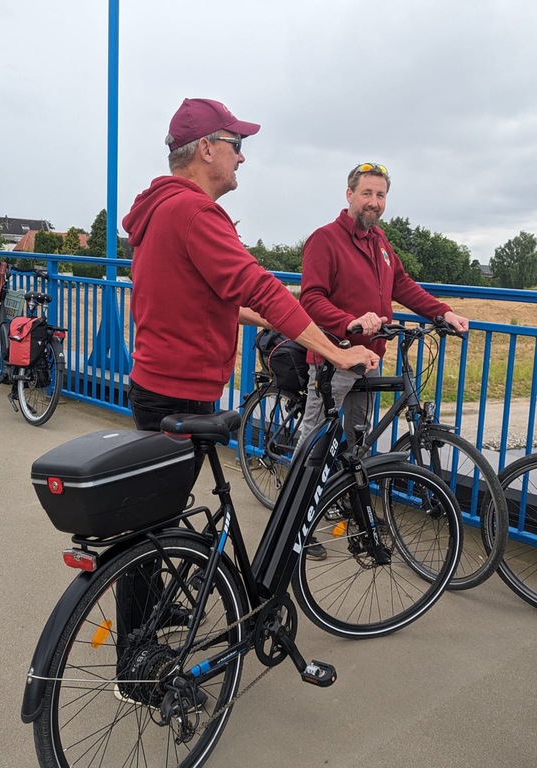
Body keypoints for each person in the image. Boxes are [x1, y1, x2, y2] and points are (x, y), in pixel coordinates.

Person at [123, 98, 380, 478]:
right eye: (236, 145)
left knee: (161, 504)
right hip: (180, 395)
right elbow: (260, 287)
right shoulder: (195, 212)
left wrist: (273, 320)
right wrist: (336, 353)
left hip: (154, 385)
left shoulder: (162, 207)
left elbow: (196, 300)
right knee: (165, 508)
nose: (241, 157)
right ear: (206, 149)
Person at [297, 162, 469, 508]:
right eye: (367, 193)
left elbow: (402, 284)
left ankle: (348, 503)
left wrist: (443, 312)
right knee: (314, 441)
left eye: (381, 195)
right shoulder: (325, 239)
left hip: (371, 359)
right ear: (349, 195)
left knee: (358, 439)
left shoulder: (381, 242)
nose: (374, 202)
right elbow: (311, 299)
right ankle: (296, 512)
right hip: (334, 357)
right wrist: (350, 321)